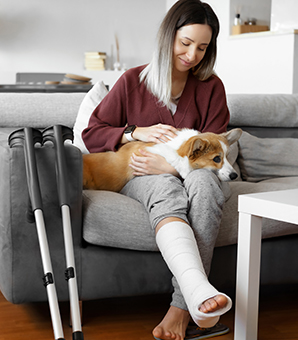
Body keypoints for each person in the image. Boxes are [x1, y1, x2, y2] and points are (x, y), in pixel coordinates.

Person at [82, 1, 232, 339]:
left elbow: (215, 151)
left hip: (186, 174)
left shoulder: (212, 88)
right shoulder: (133, 80)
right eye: (185, 43)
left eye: (202, 47)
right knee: (165, 188)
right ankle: (194, 299)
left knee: (205, 186)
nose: (192, 55)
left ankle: (182, 305)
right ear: (169, 36)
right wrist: (135, 131)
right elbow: (91, 134)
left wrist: (170, 165)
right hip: (138, 174)